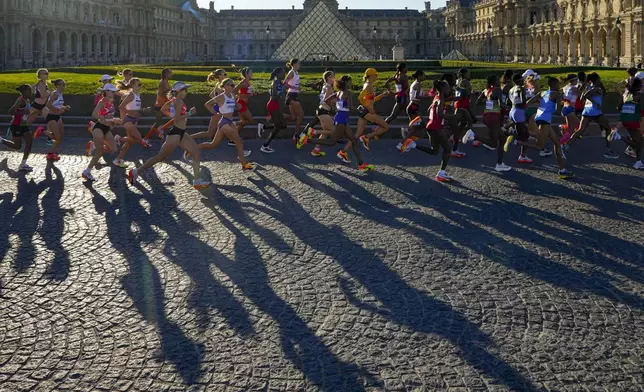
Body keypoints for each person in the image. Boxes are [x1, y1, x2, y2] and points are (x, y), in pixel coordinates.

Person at [128, 82, 210, 189]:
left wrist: (173, 114)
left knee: (195, 151)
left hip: (181, 132)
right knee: (160, 157)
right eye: (185, 89)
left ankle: (197, 180)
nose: (186, 92)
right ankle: (136, 172)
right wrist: (189, 113)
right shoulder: (179, 101)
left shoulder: (174, 100)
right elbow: (176, 119)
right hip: (176, 133)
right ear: (179, 91)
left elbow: (163, 109)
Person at [300, 75, 374, 171]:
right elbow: (350, 107)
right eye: (350, 82)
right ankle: (306, 140)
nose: (351, 84)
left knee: (353, 141)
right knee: (332, 142)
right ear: (347, 83)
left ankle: (361, 164)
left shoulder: (338, 92)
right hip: (342, 119)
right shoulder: (348, 93)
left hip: (340, 118)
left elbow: (327, 100)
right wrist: (361, 111)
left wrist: (335, 108)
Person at [505, 77, 574, 179]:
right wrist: (561, 104)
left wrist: (541, 106)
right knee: (539, 146)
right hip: (545, 120)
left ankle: (562, 170)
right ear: (554, 85)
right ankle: (515, 141)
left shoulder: (542, 93)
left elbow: (528, 102)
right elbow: (558, 111)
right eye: (558, 84)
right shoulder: (557, 94)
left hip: (539, 117)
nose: (559, 86)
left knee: (557, 143)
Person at [401, 80, 455, 182]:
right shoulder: (441, 100)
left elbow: (429, 109)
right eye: (448, 87)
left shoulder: (436, 97)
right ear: (443, 89)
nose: (450, 89)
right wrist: (452, 116)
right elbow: (439, 113)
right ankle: (442, 173)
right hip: (437, 127)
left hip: (430, 127)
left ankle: (413, 145)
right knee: (447, 150)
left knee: (434, 151)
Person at [198, 78, 256, 171]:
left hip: (230, 122)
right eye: (231, 85)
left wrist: (238, 106)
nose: (233, 86)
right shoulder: (221, 96)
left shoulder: (233, 95)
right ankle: (244, 165)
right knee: (239, 143)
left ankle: (195, 148)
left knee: (213, 144)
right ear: (225, 86)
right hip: (224, 122)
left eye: (233, 85)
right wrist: (214, 112)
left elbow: (235, 105)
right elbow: (207, 104)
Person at [463, 75, 512, 172]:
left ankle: (500, 163)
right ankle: (474, 136)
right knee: (494, 144)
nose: (499, 81)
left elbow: (477, 102)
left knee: (502, 139)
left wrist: (488, 103)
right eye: (497, 79)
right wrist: (511, 108)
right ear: (494, 81)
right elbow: (501, 105)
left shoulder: (486, 90)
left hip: (487, 116)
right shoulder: (497, 90)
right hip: (494, 117)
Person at [565, 72, 618, 159]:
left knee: (580, 130)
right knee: (608, 128)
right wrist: (595, 102)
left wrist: (591, 98)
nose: (600, 80)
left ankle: (566, 146)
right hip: (595, 112)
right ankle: (608, 149)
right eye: (599, 79)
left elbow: (582, 98)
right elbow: (585, 95)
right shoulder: (595, 88)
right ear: (596, 80)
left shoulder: (588, 87)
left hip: (587, 111)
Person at [341, 68, 389, 155]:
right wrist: (369, 108)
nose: (376, 77)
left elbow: (370, 100)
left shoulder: (368, 85)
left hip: (363, 111)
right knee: (385, 126)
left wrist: (382, 96)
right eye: (375, 75)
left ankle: (343, 152)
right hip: (367, 112)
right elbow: (360, 97)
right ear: (370, 76)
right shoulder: (368, 86)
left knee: (357, 134)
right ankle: (367, 137)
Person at [82, 84, 123, 181]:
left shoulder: (112, 102)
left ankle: (94, 146)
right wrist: (109, 120)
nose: (114, 93)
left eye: (114, 91)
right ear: (106, 92)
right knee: (99, 153)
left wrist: (114, 122)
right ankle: (87, 171)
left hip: (106, 128)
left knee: (113, 148)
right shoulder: (102, 101)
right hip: (99, 128)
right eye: (112, 91)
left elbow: (109, 117)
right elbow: (94, 114)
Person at [113, 78, 150, 168]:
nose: (140, 86)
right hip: (128, 120)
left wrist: (143, 110)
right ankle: (119, 139)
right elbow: (121, 106)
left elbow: (135, 108)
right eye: (138, 84)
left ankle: (118, 159)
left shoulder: (138, 94)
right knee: (139, 139)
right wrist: (128, 113)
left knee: (129, 142)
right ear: (132, 86)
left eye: (140, 84)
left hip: (134, 120)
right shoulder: (131, 95)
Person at [608, 77, 643, 169]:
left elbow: (619, 107)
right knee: (639, 143)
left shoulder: (626, 94)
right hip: (633, 119)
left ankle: (638, 162)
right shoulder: (640, 95)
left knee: (639, 142)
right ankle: (638, 162)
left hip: (625, 119)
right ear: (639, 85)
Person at [0, 85, 35, 171]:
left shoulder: (27, 100)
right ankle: (1, 140)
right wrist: (23, 112)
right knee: (17, 146)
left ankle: (23, 164)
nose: (31, 92)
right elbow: (10, 112)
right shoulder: (20, 100)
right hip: (16, 125)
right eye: (29, 90)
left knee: (29, 142)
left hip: (23, 125)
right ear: (24, 92)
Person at [188, 69, 227, 142]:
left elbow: (211, 95)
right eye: (224, 74)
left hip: (219, 108)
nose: (226, 75)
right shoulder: (221, 86)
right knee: (209, 133)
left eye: (225, 74)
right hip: (218, 109)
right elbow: (220, 96)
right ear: (219, 76)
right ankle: (188, 138)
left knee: (216, 131)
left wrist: (217, 100)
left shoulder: (219, 84)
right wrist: (219, 101)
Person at [299, 67, 336, 139]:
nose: (334, 78)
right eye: (333, 76)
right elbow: (326, 99)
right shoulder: (328, 87)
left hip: (321, 108)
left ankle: (316, 149)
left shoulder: (325, 85)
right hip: (324, 109)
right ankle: (312, 132)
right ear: (329, 77)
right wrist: (333, 105)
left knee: (324, 130)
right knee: (332, 130)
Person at [142, 68, 173, 147]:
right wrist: (171, 92)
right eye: (170, 72)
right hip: (160, 105)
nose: (172, 74)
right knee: (175, 117)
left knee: (158, 122)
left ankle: (147, 138)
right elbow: (161, 94)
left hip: (161, 105)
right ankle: (160, 130)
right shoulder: (163, 82)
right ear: (166, 73)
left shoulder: (165, 81)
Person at [260, 68, 289, 153]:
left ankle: (264, 127)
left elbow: (281, 94)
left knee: (283, 125)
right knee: (278, 127)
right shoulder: (275, 83)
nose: (284, 74)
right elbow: (274, 97)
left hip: (277, 106)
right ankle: (265, 146)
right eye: (283, 73)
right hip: (273, 105)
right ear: (278, 74)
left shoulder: (279, 82)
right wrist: (283, 89)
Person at [506, 73, 532, 163]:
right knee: (523, 136)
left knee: (526, 134)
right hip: (519, 111)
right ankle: (512, 139)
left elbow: (508, 101)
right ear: (519, 80)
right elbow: (522, 101)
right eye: (522, 79)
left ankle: (522, 155)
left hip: (513, 111)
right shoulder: (521, 88)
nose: (523, 80)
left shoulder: (511, 89)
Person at [42, 79, 70, 161]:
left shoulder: (60, 94)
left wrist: (65, 107)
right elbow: (48, 105)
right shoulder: (55, 94)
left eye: (64, 84)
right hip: (51, 117)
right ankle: (42, 131)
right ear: (57, 85)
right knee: (57, 137)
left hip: (58, 117)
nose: (63, 86)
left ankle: (51, 153)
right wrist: (56, 110)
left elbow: (58, 105)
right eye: (61, 84)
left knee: (61, 137)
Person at [234, 67, 261, 146]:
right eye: (251, 73)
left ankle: (232, 140)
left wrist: (252, 93)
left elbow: (243, 93)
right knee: (251, 120)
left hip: (243, 103)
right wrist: (243, 96)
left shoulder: (247, 82)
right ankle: (233, 123)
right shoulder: (243, 82)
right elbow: (234, 91)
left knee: (242, 124)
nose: (252, 74)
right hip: (241, 104)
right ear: (246, 74)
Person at [28, 69, 51, 144]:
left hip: (43, 106)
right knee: (27, 122)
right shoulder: (42, 84)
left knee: (50, 120)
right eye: (44, 74)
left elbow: (33, 87)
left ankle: (49, 138)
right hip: (36, 106)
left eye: (47, 73)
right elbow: (43, 95)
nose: (46, 75)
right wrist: (51, 93)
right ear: (40, 76)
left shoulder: (43, 83)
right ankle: (14, 131)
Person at [284, 59, 304, 140]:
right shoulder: (291, 72)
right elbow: (285, 83)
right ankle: (296, 135)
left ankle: (275, 115)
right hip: (291, 96)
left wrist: (298, 89)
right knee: (301, 115)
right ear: (295, 64)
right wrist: (295, 88)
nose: (300, 65)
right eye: (299, 63)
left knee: (293, 117)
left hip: (294, 95)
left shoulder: (296, 72)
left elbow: (293, 83)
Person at [559, 74, 580, 144]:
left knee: (570, 129)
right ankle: (562, 140)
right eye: (577, 80)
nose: (578, 81)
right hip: (570, 109)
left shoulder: (565, 87)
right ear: (573, 80)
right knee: (580, 125)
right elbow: (582, 95)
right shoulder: (574, 88)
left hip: (565, 108)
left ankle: (563, 142)